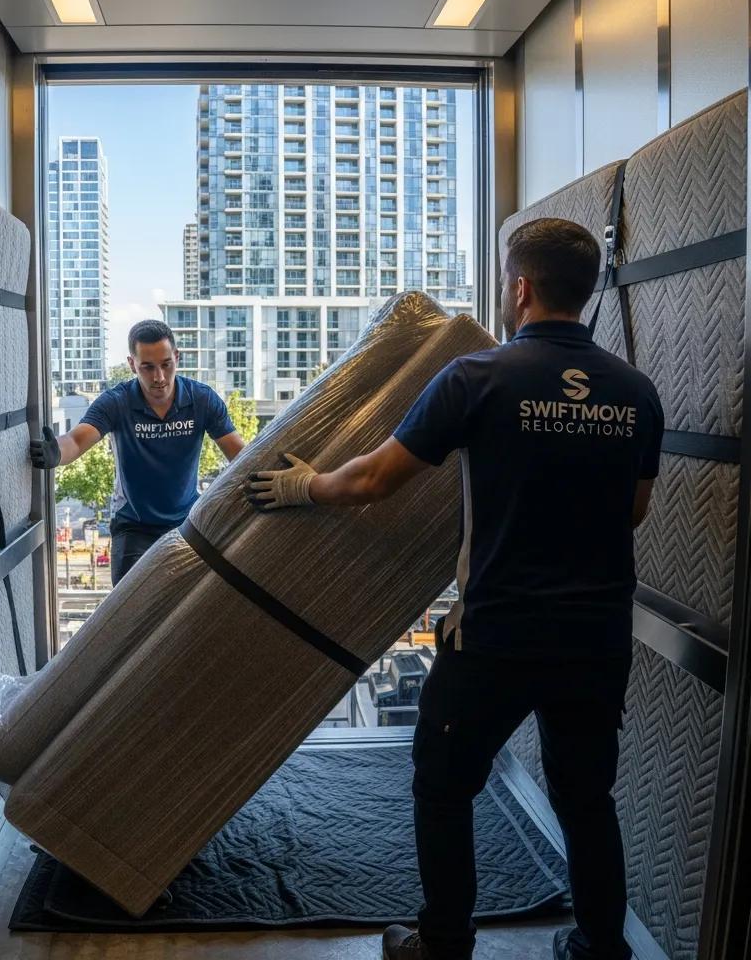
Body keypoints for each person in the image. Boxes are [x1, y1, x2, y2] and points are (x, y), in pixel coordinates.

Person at [246, 218, 663, 960]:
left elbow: (374, 479)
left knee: (443, 787)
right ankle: (604, 949)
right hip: (596, 642)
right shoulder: (636, 392)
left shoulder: (479, 378)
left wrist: (302, 485)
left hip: (496, 637)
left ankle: (442, 945)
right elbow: (633, 510)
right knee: (585, 800)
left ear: (520, 287)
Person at [32, 319, 245, 584]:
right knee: (127, 614)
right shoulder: (117, 402)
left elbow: (241, 456)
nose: (159, 377)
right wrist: (56, 454)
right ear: (132, 364)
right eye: (147, 367)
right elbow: (77, 440)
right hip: (133, 526)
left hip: (187, 522)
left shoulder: (201, 399)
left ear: (177, 357)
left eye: (166, 364)